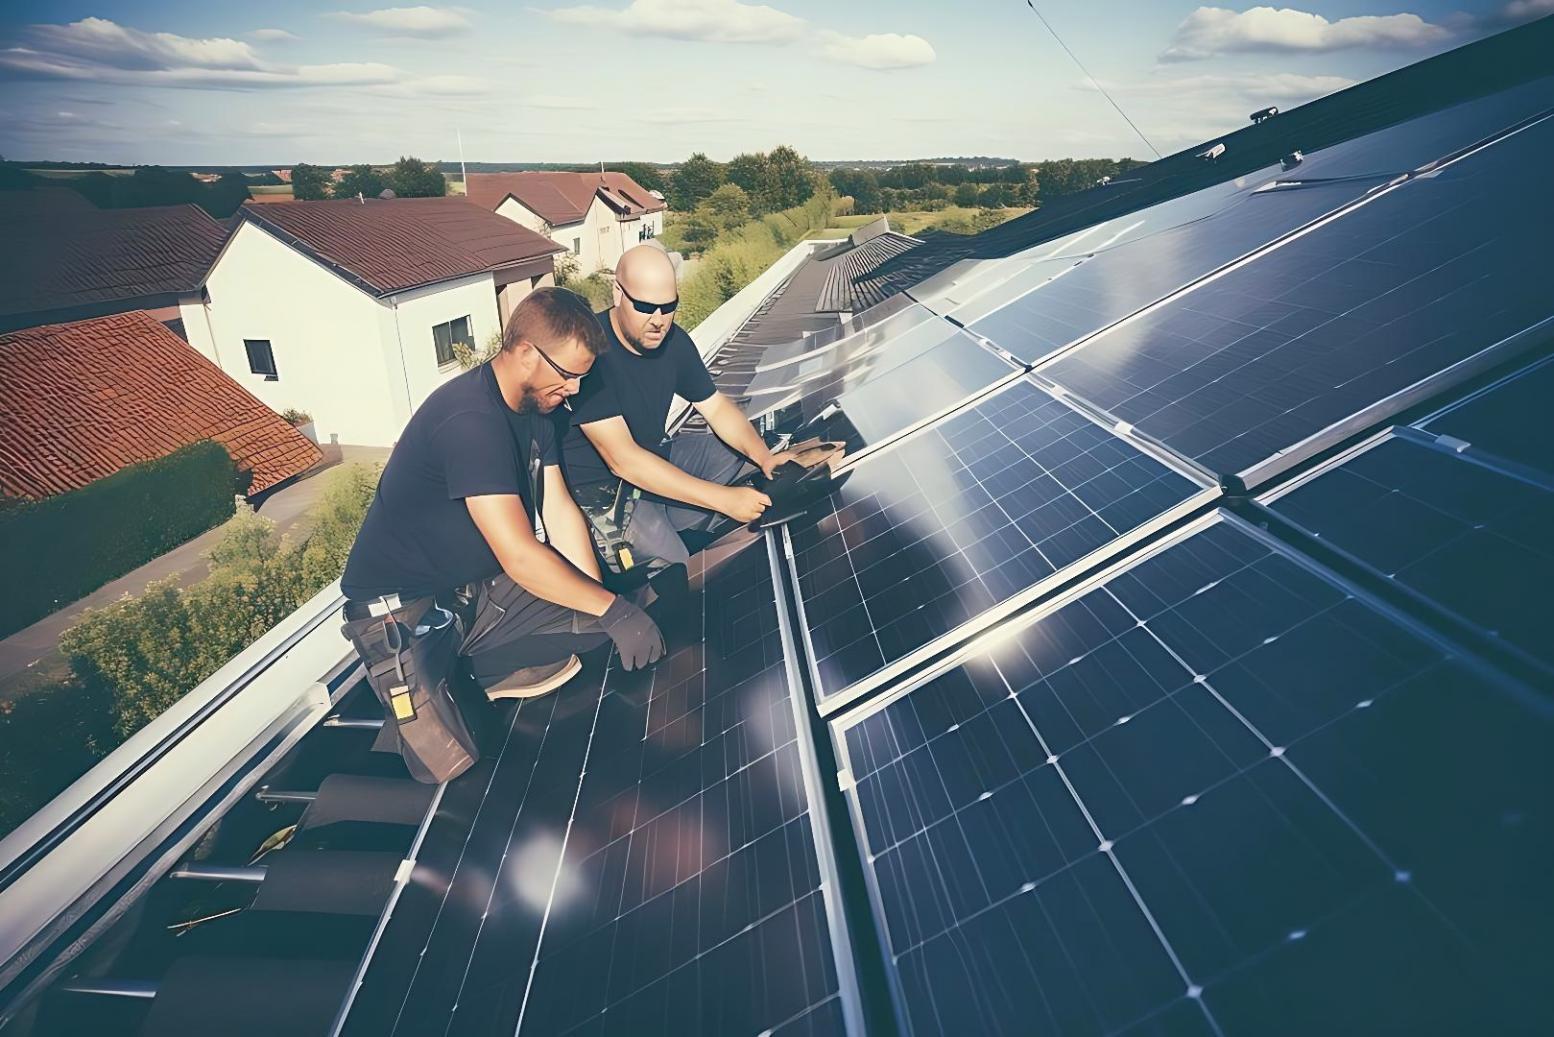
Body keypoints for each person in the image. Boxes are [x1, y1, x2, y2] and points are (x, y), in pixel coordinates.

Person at [341, 287, 664, 700]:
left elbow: (558, 510)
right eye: (567, 375)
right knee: (444, 740)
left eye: (581, 378)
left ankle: (489, 663)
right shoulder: (471, 422)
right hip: (404, 616)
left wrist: (602, 607)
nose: (574, 389)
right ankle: (474, 675)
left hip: (475, 593)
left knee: (617, 611)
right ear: (527, 353)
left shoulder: (536, 409)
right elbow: (519, 556)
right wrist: (611, 612)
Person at [561, 244, 801, 572]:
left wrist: (764, 457)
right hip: (607, 491)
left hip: (654, 456)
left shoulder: (674, 342)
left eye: (668, 307)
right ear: (618, 293)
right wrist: (723, 500)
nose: (658, 320)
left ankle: (679, 515)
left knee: (736, 453)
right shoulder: (590, 353)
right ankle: (666, 533)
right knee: (681, 568)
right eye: (645, 307)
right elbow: (623, 461)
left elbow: (716, 408)